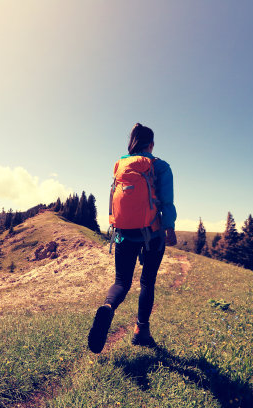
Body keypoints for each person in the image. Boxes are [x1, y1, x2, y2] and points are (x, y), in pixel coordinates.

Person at [88, 123, 177, 353]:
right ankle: (141, 332)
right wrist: (169, 228)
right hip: (152, 233)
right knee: (147, 282)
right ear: (151, 144)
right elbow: (166, 202)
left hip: (124, 233)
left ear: (132, 142)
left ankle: (108, 306)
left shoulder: (120, 164)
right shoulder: (161, 166)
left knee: (121, 282)